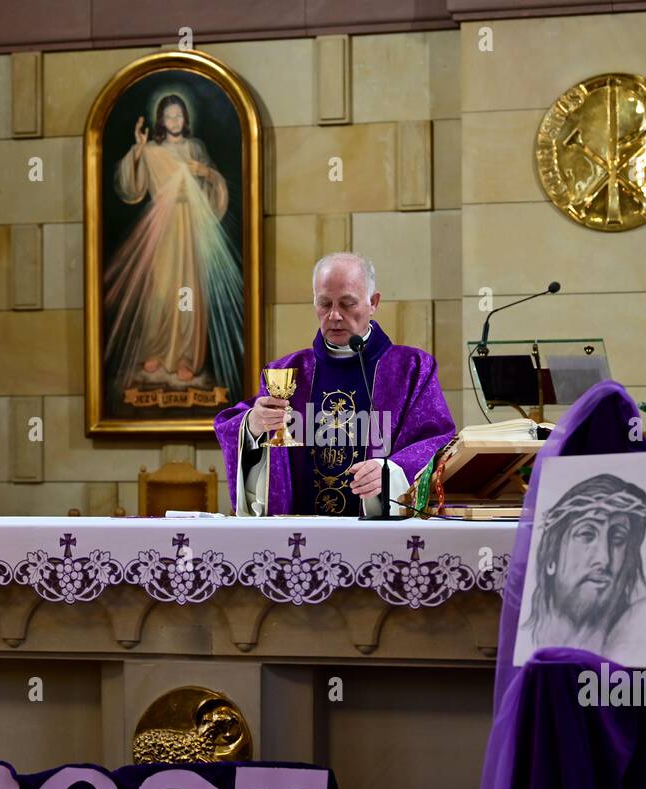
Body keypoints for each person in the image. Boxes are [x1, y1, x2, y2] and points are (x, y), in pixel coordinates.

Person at [214, 253, 455, 516]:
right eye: (324, 303)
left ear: (373, 302)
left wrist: (392, 472)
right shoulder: (285, 372)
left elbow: (438, 441)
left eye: (347, 304)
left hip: (380, 535)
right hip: (299, 536)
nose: (335, 315)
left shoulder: (413, 368)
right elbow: (234, 426)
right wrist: (253, 426)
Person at [104, 93, 243, 409]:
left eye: (179, 116)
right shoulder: (152, 151)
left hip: (190, 226)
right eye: (169, 116)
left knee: (188, 292)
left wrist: (204, 172)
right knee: (162, 290)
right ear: (160, 121)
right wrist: (138, 149)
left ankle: (185, 357)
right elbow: (131, 187)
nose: (175, 121)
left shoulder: (195, 149)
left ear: (185, 119)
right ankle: (155, 350)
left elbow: (214, 185)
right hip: (163, 226)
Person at [522, 473, 646, 664]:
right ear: (551, 556)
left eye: (617, 538)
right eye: (586, 534)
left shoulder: (636, 630)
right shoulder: (526, 638)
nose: (604, 559)